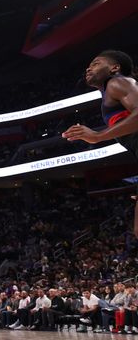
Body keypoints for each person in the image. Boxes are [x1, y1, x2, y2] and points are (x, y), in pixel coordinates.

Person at [62, 50, 138, 237]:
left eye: (96, 63)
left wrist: (97, 136)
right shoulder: (109, 94)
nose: (89, 67)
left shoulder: (117, 82)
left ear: (114, 67)